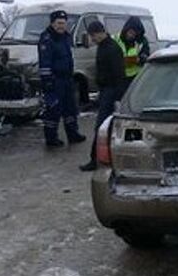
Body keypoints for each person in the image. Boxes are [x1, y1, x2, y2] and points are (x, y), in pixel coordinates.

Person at [79, 21, 126, 172]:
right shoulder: (104, 47)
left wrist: (117, 97)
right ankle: (105, 157)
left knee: (101, 127)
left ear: (100, 32)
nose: (92, 39)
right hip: (106, 90)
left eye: (93, 36)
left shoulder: (112, 49)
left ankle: (96, 159)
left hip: (111, 91)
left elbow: (118, 74)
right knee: (106, 127)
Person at [38, 10, 86, 148]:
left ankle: (73, 134)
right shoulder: (47, 39)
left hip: (67, 79)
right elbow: (45, 62)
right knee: (53, 109)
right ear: (52, 23)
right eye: (59, 23)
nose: (61, 26)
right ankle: (51, 138)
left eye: (64, 23)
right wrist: (47, 82)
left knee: (70, 108)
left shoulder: (66, 37)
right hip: (54, 80)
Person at [115, 16, 151, 90]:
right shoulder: (116, 39)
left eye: (134, 34)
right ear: (126, 29)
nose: (131, 35)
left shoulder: (141, 41)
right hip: (119, 77)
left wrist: (138, 60)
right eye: (130, 32)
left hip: (136, 78)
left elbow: (146, 57)